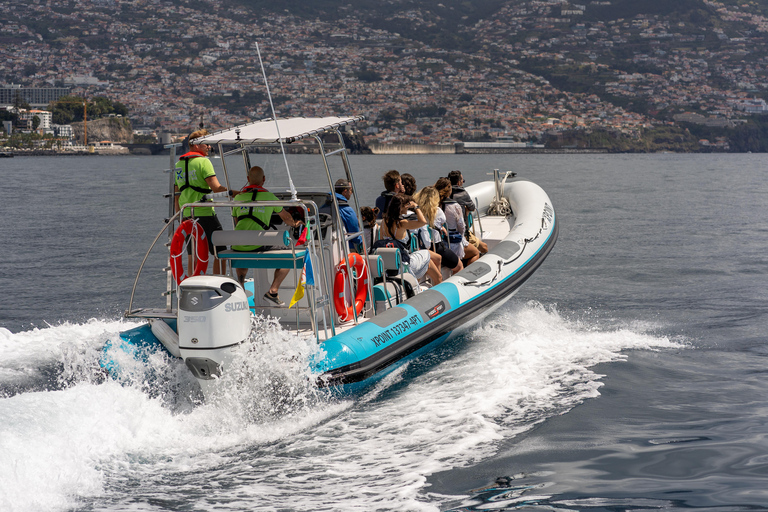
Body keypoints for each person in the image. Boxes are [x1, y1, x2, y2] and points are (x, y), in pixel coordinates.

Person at [232, 165, 303, 306]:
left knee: (241, 253)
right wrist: (295, 224)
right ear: (263, 180)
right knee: (289, 255)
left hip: (238, 244)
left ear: (248, 179)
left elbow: (236, 221)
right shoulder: (269, 196)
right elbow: (286, 217)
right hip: (259, 244)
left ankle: (241, 285)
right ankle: (273, 291)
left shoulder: (237, 198)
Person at [174, 129, 229, 274]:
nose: (209, 147)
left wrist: (179, 216)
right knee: (220, 250)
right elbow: (216, 188)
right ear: (196, 145)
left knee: (193, 252)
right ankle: (220, 280)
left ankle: (193, 282)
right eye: (206, 144)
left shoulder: (178, 165)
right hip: (204, 213)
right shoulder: (204, 162)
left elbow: (176, 195)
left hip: (186, 214)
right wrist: (233, 192)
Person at [380, 194, 442, 284]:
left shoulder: (384, 222)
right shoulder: (402, 223)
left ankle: (418, 284)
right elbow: (423, 222)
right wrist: (416, 207)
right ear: (402, 207)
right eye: (407, 205)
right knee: (426, 254)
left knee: (427, 259)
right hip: (405, 264)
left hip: (392, 264)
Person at [414, 186, 462, 275]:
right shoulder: (438, 211)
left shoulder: (417, 211)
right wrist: (440, 227)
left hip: (422, 247)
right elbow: (441, 222)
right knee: (459, 266)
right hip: (436, 247)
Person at [436, 177, 480, 265]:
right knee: (476, 253)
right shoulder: (455, 206)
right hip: (453, 241)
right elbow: (461, 226)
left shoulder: (435, 205)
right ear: (449, 190)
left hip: (440, 241)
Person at [448, 170, 488, 254]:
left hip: (448, 233)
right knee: (484, 248)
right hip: (461, 232)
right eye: (462, 180)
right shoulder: (462, 193)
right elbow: (472, 207)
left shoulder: (445, 195)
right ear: (459, 182)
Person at [321, 179, 362, 251]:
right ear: (345, 192)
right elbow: (355, 236)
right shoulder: (348, 211)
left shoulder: (322, 207)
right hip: (344, 249)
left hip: (324, 246)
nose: (351, 193)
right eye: (351, 190)